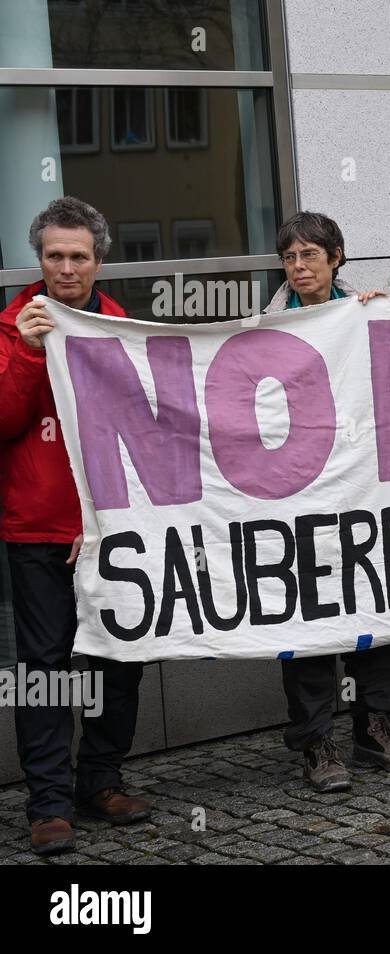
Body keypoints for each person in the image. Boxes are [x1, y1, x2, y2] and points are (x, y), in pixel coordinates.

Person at [0, 197, 151, 855]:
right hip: (36, 529)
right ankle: (49, 805)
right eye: (54, 256)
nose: (66, 268)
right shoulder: (9, 328)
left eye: (78, 256)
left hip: (110, 532)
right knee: (47, 670)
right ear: (39, 260)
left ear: (99, 260)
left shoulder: (121, 326)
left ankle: (102, 780)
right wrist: (31, 354)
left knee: (120, 661)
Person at [266, 211, 390, 791]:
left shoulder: (366, 313)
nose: (300, 266)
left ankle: (377, 730)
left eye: (310, 254)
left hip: (364, 494)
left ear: (337, 257)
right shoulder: (262, 328)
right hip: (299, 498)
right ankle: (315, 743)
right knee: (309, 621)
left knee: (375, 612)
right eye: (289, 257)